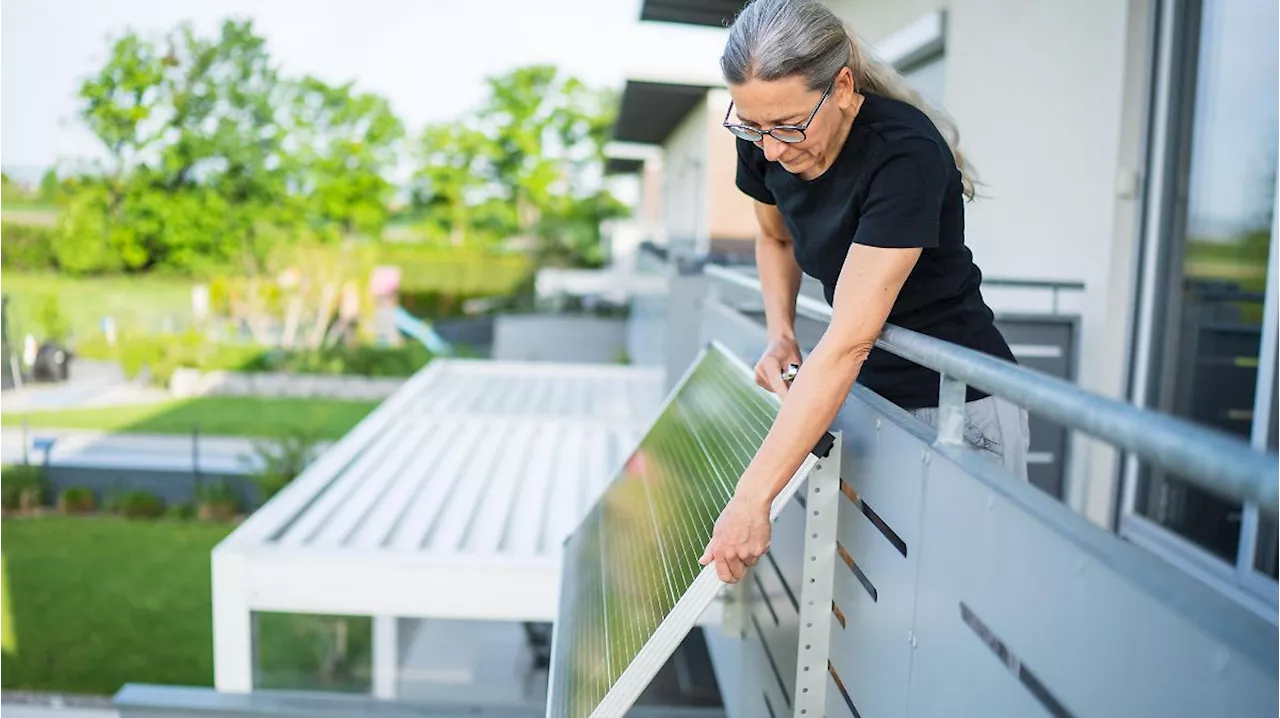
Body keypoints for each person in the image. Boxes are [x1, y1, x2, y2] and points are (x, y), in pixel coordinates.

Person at [698, 0, 1030, 585]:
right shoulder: (764, 133)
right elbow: (774, 240)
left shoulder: (905, 153)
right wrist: (780, 334)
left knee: (968, 600)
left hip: (957, 405)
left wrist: (752, 498)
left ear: (844, 87)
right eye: (752, 126)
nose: (770, 149)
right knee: (878, 595)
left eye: (788, 126)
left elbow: (850, 338)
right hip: (863, 395)